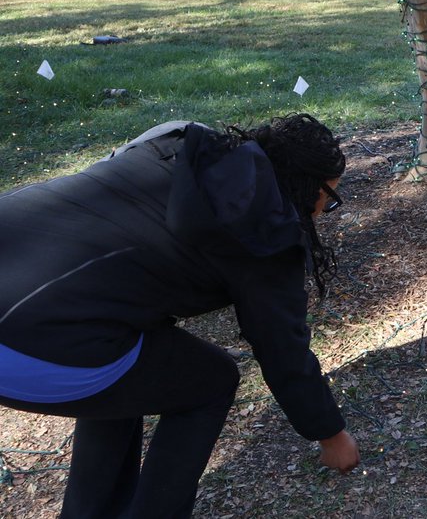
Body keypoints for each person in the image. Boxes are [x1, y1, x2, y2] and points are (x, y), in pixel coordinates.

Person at [0, 113, 361, 517]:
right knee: (210, 380)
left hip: (25, 276)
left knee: (134, 362)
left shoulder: (180, 141)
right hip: (24, 344)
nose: (321, 212)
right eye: (328, 200)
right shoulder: (267, 232)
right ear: (304, 187)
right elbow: (283, 351)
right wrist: (331, 435)